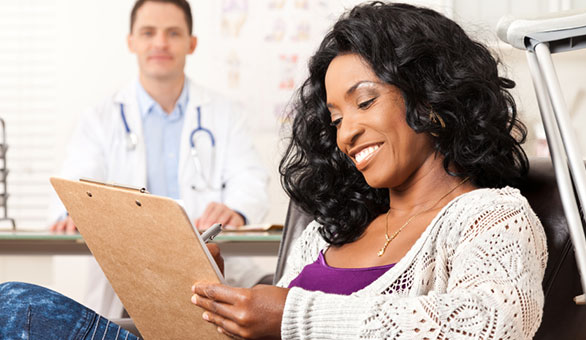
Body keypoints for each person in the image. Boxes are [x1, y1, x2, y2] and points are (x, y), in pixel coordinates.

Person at [1, 2, 547, 339]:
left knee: (16, 308)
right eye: (334, 118)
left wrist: (293, 317)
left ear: (431, 100)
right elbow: (265, 323)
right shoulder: (329, 235)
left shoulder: (492, 216)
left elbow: (487, 327)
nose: (346, 133)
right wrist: (209, 296)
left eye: (364, 101)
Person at [49, 0, 269, 318]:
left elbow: (249, 178)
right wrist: (73, 209)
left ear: (192, 43)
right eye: (149, 32)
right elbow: (76, 179)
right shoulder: (100, 118)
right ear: (132, 42)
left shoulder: (225, 113)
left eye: (173, 33)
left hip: (214, 268)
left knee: (272, 297)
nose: (160, 43)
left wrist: (235, 209)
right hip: (129, 280)